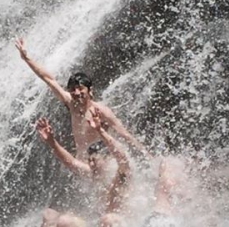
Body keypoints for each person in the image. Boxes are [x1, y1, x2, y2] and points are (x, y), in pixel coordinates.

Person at [14, 108, 132, 227]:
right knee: (61, 219)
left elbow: (123, 158)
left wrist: (100, 131)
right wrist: (52, 142)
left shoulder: (120, 174)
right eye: (89, 160)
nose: (91, 163)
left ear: (107, 159)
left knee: (108, 220)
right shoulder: (93, 175)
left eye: (95, 159)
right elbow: (70, 161)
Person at [15, 38, 147, 161]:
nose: (76, 92)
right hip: (82, 162)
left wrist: (147, 156)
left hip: (102, 162)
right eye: (72, 89)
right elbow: (48, 79)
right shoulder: (70, 103)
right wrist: (26, 58)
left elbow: (125, 135)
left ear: (90, 90)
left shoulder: (101, 111)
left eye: (80, 88)